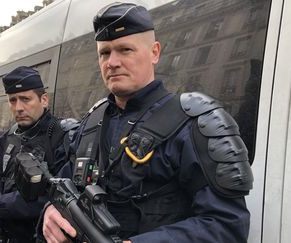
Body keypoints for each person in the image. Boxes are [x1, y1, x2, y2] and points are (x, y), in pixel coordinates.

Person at [41, 2, 254, 243]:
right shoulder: (92, 122)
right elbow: (63, 184)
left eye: (125, 50)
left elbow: (227, 225)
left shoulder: (193, 123)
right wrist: (50, 210)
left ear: (154, 52)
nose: (112, 62)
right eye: (105, 52)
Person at [0, 66, 78, 243]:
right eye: (12, 100)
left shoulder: (61, 136)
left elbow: (59, 196)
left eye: (25, 99)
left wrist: (2, 205)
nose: (18, 107)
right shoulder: (8, 138)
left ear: (44, 99)